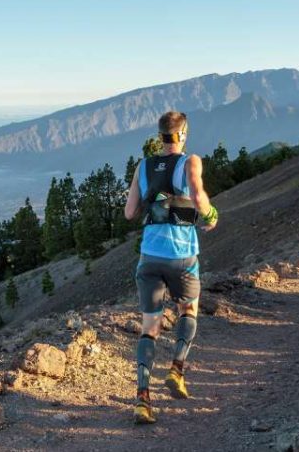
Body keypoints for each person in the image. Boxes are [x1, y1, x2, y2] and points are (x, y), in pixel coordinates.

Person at [122, 110, 219, 425]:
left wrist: (158, 199)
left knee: (149, 329)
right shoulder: (191, 161)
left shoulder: (143, 166)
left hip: (149, 256)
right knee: (188, 310)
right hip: (182, 257)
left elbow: (129, 213)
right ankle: (177, 370)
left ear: (160, 135)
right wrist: (210, 215)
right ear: (183, 133)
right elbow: (199, 196)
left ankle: (142, 401)